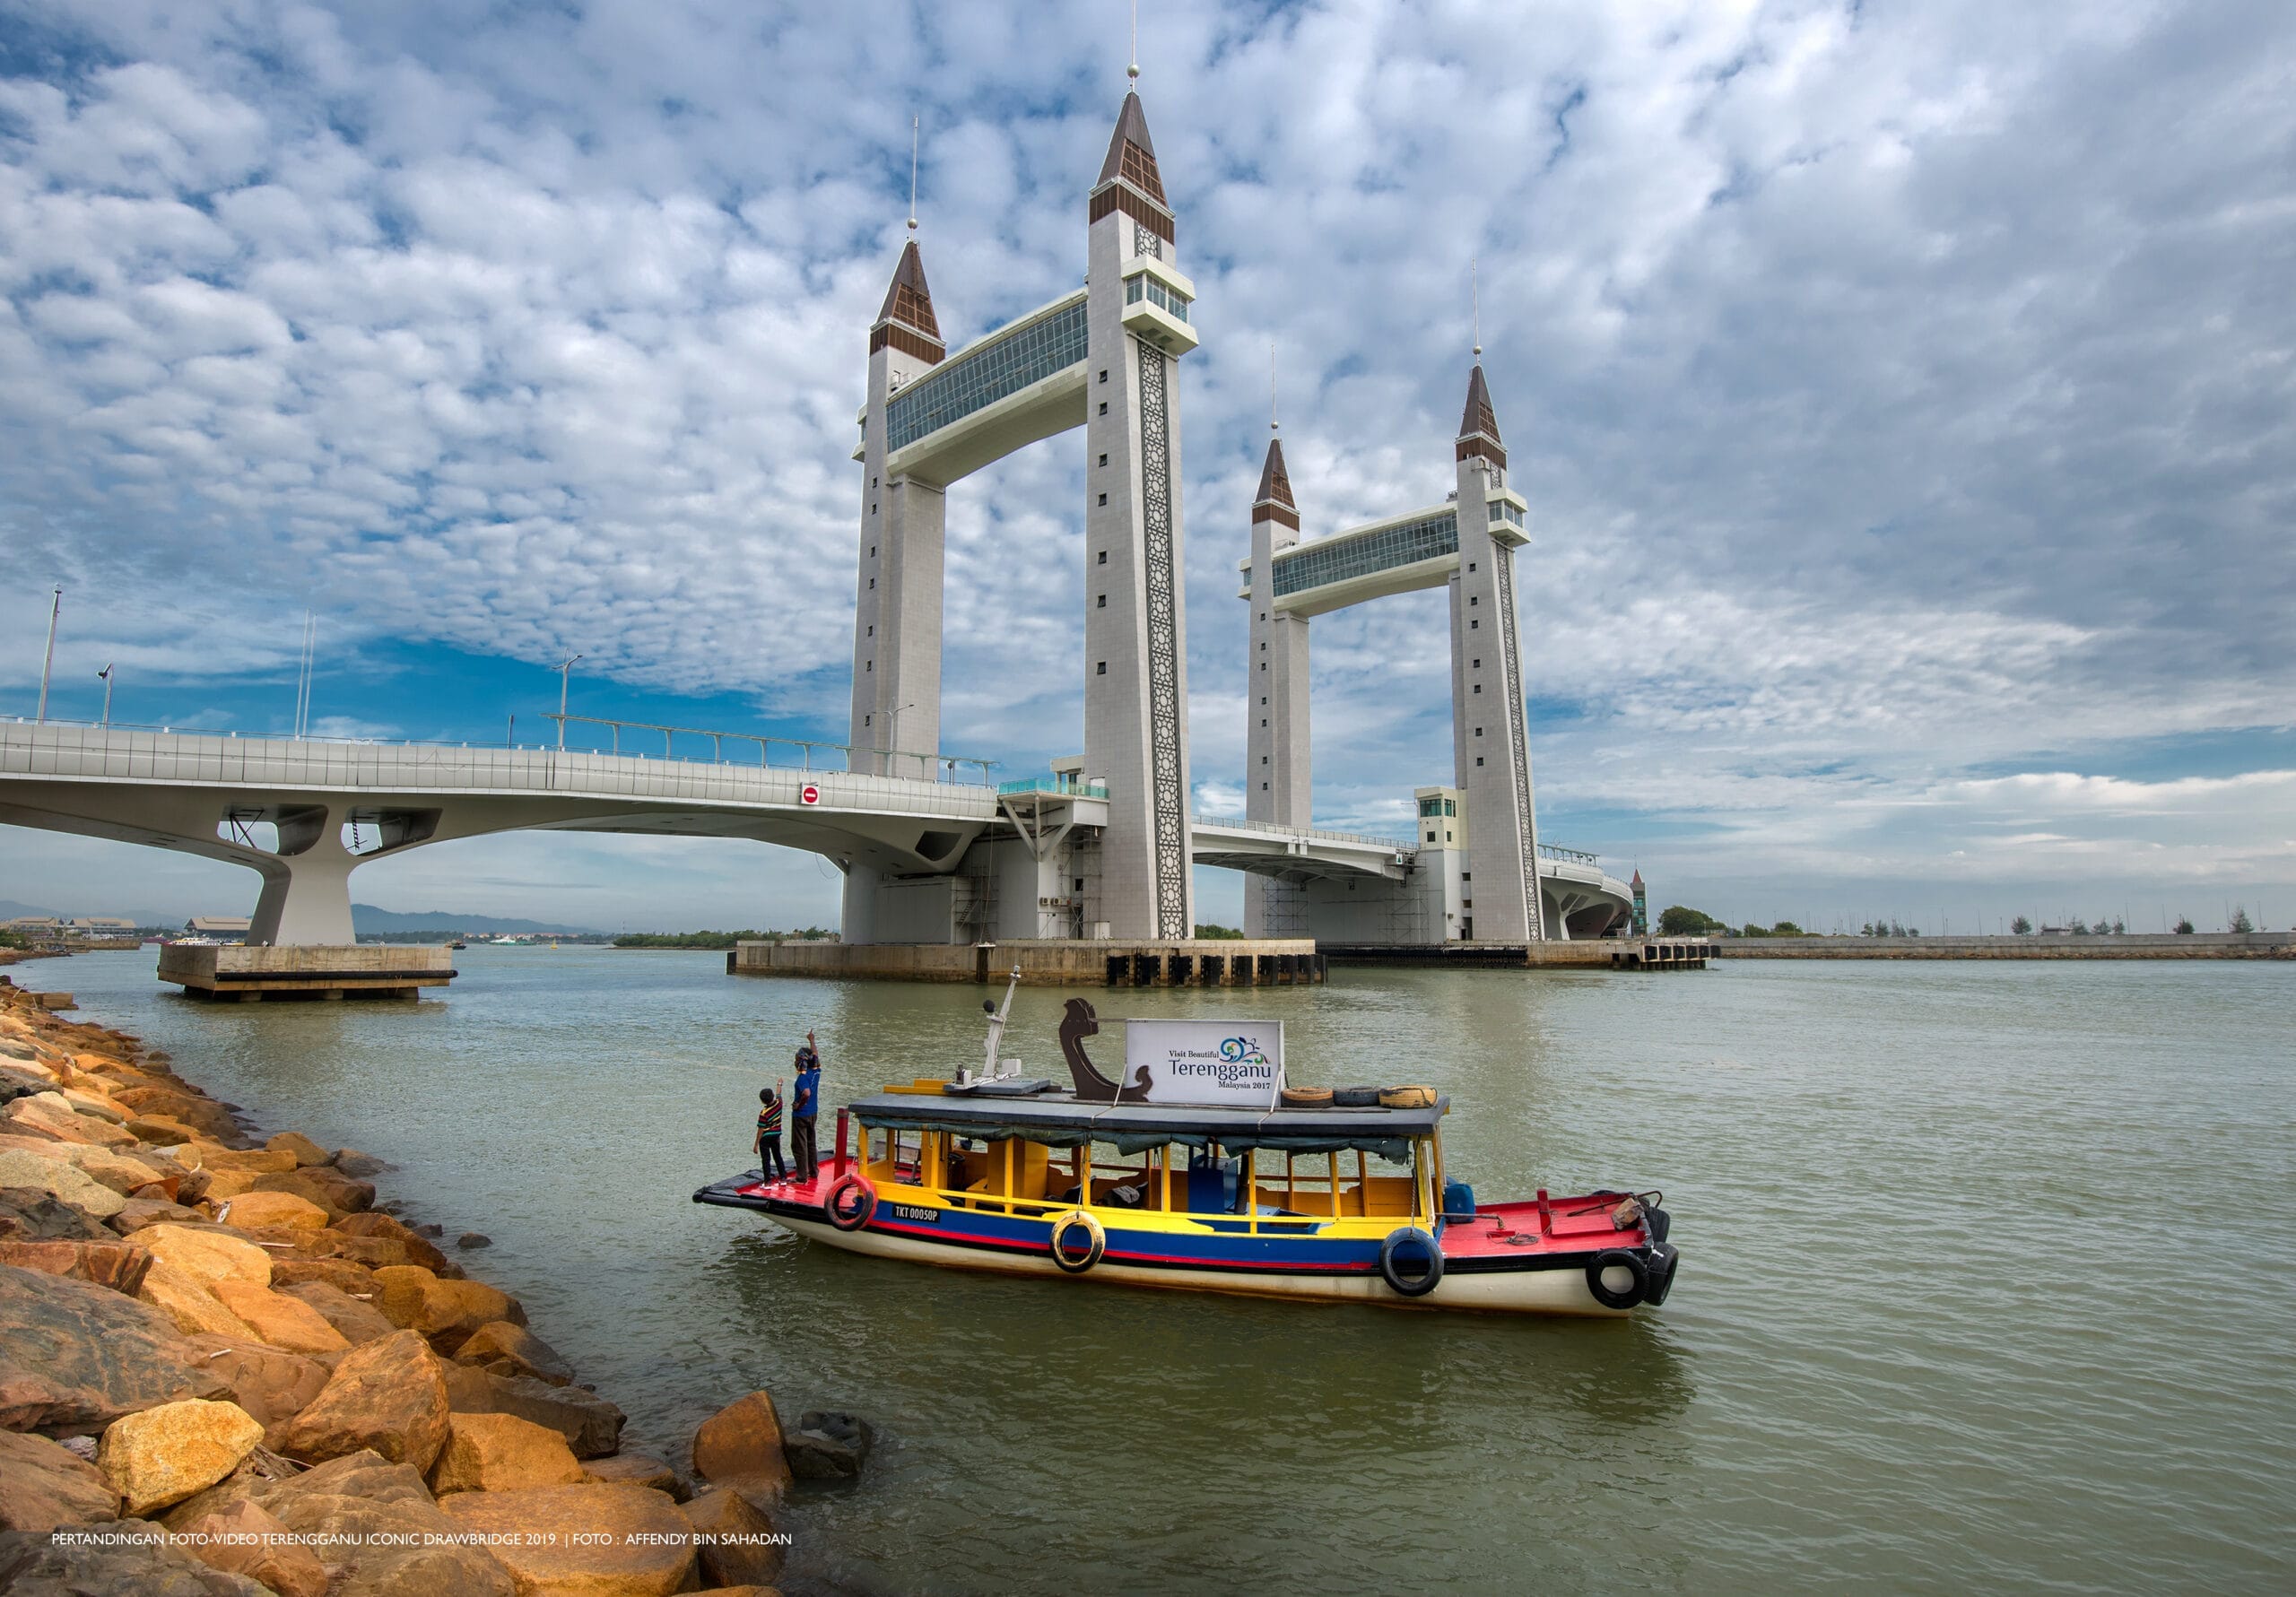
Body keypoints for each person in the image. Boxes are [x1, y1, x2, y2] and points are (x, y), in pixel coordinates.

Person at [790, 1031, 822, 1182]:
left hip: (801, 1114)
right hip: (813, 1113)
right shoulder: (816, 1072)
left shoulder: (802, 1078)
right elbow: (815, 1054)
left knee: (799, 1146)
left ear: (801, 1061)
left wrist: (798, 1105)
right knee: (811, 1142)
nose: (795, 1061)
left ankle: (802, 1176)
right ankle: (813, 1170)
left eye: (797, 1058)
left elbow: (806, 1093)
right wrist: (812, 1040)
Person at [753, 1082, 787, 1181]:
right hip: (776, 1135)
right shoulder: (779, 1104)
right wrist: (779, 1084)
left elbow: (761, 1129)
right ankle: (783, 1178)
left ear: (762, 1101)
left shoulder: (763, 1113)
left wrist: (756, 1144)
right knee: (778, 1156)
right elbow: (779, 1094)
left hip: (765, 1138)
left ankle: (767, 1182)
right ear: (772, 1096)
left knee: (766, 1159)